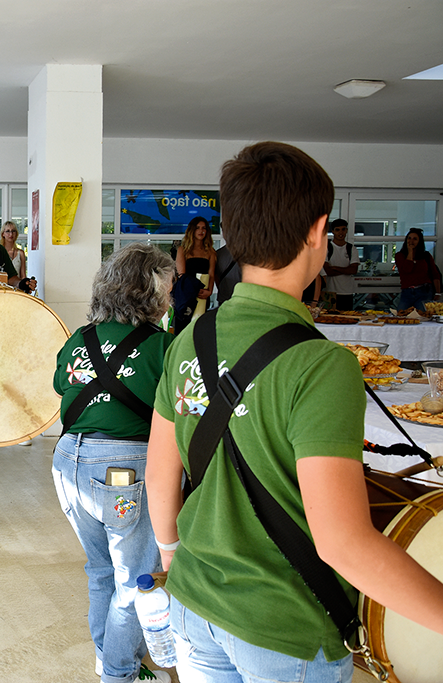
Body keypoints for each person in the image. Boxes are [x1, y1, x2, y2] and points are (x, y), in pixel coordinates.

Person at [146, 141, 443, 682]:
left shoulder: (192, 337)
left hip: (193, 603)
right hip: (283, 628)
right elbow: (343, 543)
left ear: (231, 234)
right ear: (318, 231)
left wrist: (172, 556)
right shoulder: (322, 364)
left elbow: (159, 472)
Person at [52, 243, 175, 683]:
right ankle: (119, 674)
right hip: (124, 469)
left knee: (101, 569)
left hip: (68, 463)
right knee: (135, 580)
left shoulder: (78, 339)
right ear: (151, 293)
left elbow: (61, 383)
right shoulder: (163, 346)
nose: (171, 299)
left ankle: (109, 658)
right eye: (169, 289)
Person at [172, 216, 216, 335]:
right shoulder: (183, 250)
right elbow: (182, 274)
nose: (201, 231)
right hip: (186, 295)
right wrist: (193, 290)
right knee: (183, 330)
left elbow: (212, 274)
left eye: (204, 228)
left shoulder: (210, 251)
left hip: (202, 294)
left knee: (199, 330)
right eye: (198, 228)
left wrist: (209, 291)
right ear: (192, 230)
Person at [395, 227, 440, 311]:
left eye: (415, 239)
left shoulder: (426, 256)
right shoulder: (400, 256)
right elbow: (407, 269)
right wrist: (410, 252)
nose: (411, 241)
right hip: (407, 292)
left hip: (424, 291)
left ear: (419, 241)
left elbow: (435, 274)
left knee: (423, 315)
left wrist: (438, 292)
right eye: (409, 238)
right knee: (401, 314)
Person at [322, 219, 360, 311]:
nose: (341, 232)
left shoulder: (351, 249)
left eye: (343, 229)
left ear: (346, 230)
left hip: (347, 292)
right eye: (337, 230)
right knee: (329, 317)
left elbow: (353, 270)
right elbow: (328, 271)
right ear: (333, 231)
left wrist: (335, 268)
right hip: (330, 292)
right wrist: (346, 270)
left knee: (347, 317)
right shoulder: (326, 248)